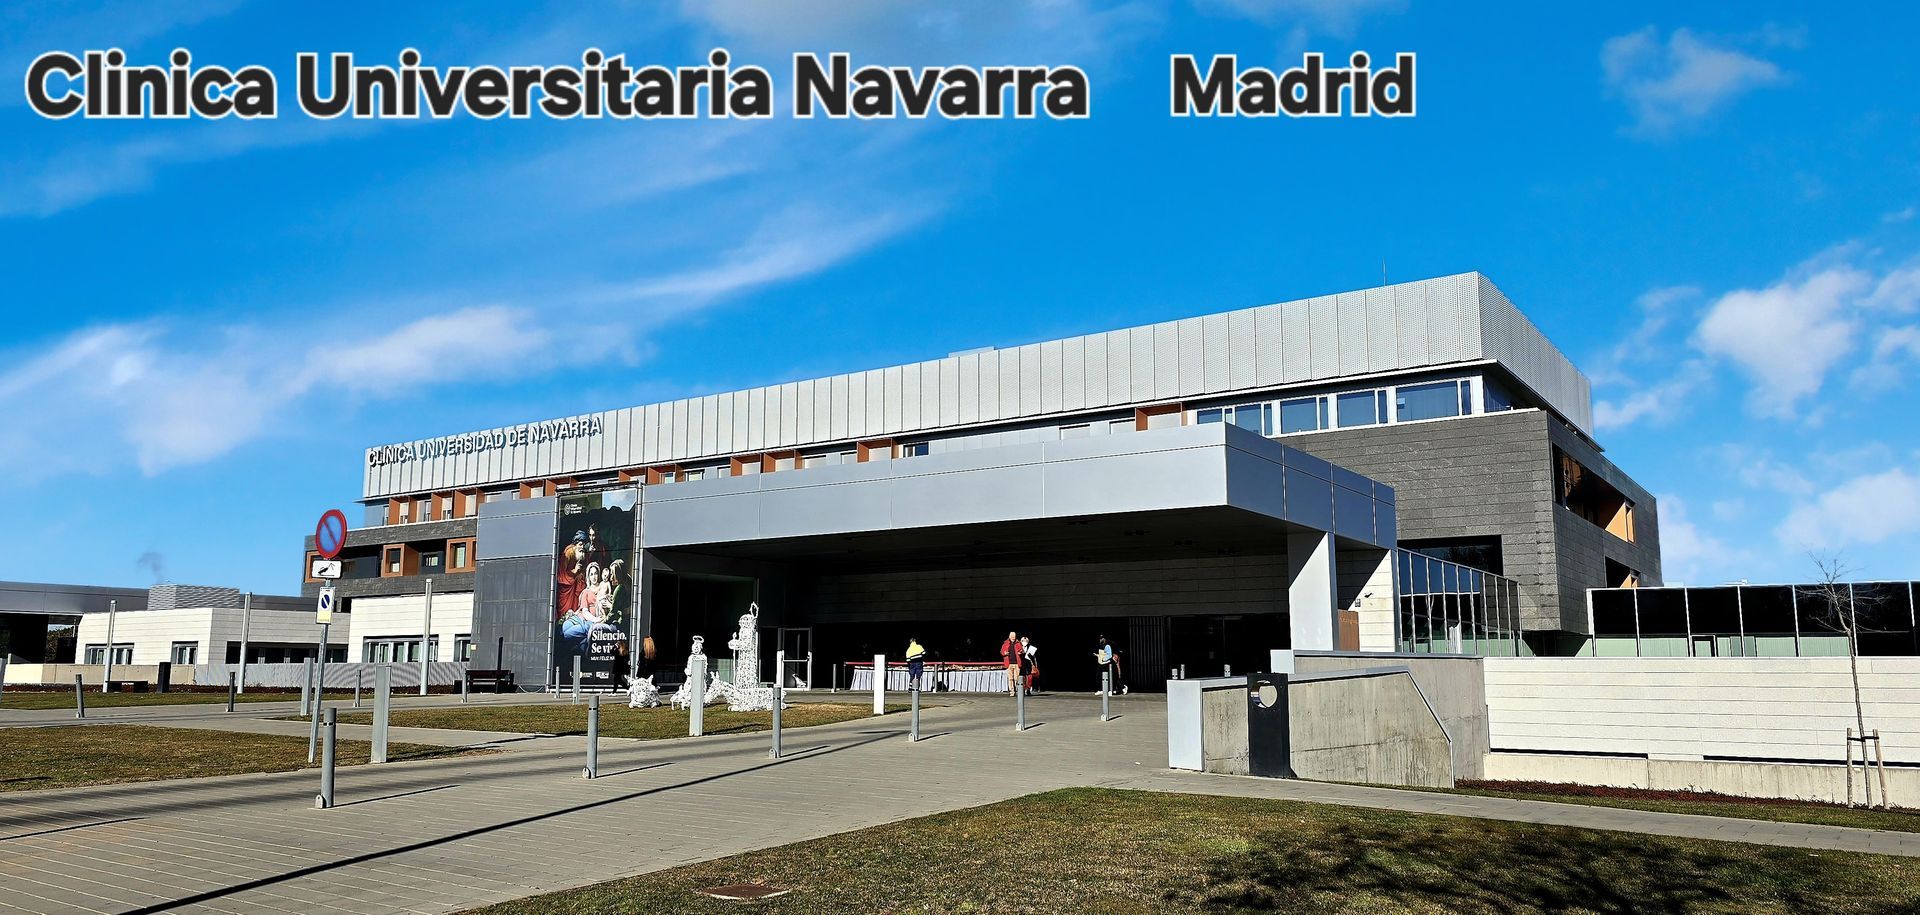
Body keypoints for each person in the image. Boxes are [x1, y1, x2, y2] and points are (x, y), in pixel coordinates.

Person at [1000, 630, 1021, 695]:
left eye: (1014, 636)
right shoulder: (1005, 644)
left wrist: (1020, 652)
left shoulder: (1018, 643)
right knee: (1010, 678)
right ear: (1009, 636)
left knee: (1016, 678)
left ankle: (1017, 690)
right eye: (1012, 636)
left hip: (1017, 663)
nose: (1013, 637)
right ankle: (1012, 691)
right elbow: (1001, 652)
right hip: (1009, 663)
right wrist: (1004, 653)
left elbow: (1022, 650)